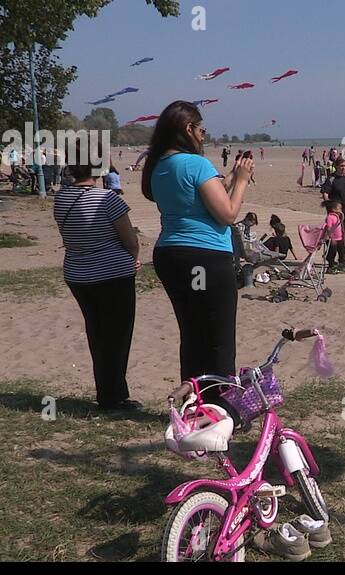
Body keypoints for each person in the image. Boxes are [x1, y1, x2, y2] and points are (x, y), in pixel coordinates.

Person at [144, 101, 254, 405]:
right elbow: (228, 214)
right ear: (187, 129)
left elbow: (195, 196)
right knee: (218, 337)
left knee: (192, 333)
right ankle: (221, 409)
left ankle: (195, 402)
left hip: (171, 255)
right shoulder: (196, 164)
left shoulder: (160, 165)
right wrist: (242, 181)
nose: (204, 136)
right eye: (201, 129)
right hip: (203, 258)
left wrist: (230, 177)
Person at [54, 139, 141, 411]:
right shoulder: (107, 199)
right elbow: (130, 239)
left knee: (97, 333)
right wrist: (133, 258)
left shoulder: (60, 197)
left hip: (78, 273)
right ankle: (114, 395)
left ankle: (107, 390)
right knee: (117, 336)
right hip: (112, 274)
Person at [320, 158, 345, 269]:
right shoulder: (332, 178)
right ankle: (337, 260)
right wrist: (330, 208)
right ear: (337, 166)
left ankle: (341, 260)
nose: (344, 168)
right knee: (335, 237)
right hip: (335, 214)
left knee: (342, 236)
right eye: (342, 166)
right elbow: (325, 193)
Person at [322, 198, 345, 266]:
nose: (340, 210)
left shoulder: (337, 216)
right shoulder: (330, 217)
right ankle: (330, 263)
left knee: (341, 250)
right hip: (332, 238)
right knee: (332, 252)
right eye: (339, 208)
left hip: (339, 237)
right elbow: (329, 228)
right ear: (333, 209)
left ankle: (341, 262)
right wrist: (331, 238)